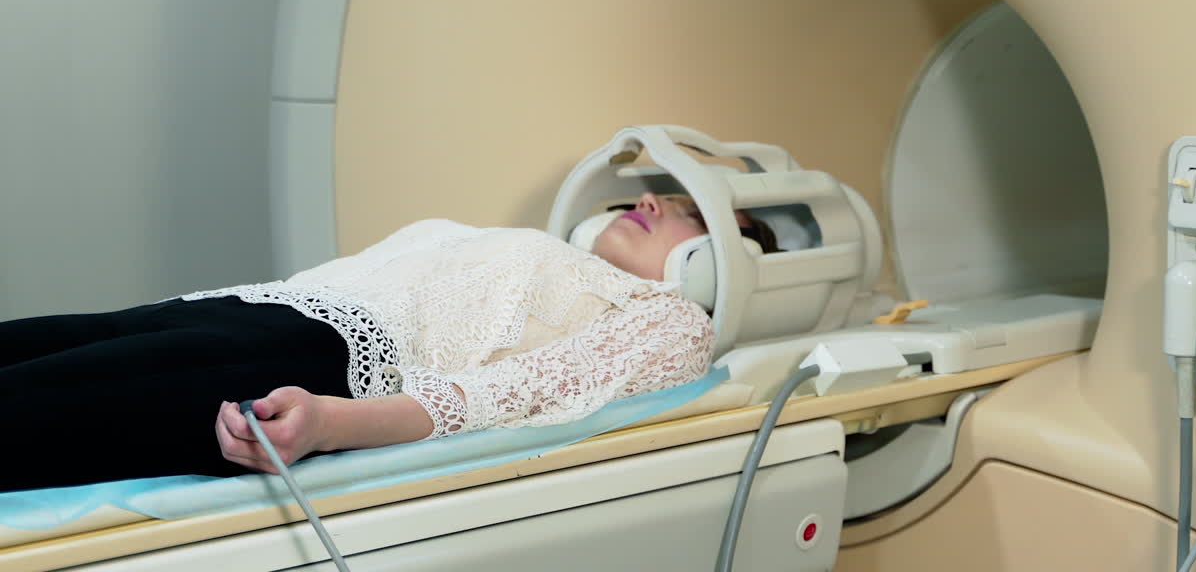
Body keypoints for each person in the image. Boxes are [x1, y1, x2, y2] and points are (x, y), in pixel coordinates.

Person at [0, 193, 777, 492]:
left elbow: (500, 398)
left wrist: (332, 423)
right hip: (230, 309)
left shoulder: (672, 321)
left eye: (686, 211)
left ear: (719, 266)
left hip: (299, 362)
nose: (651, 199)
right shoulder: (546, 255)